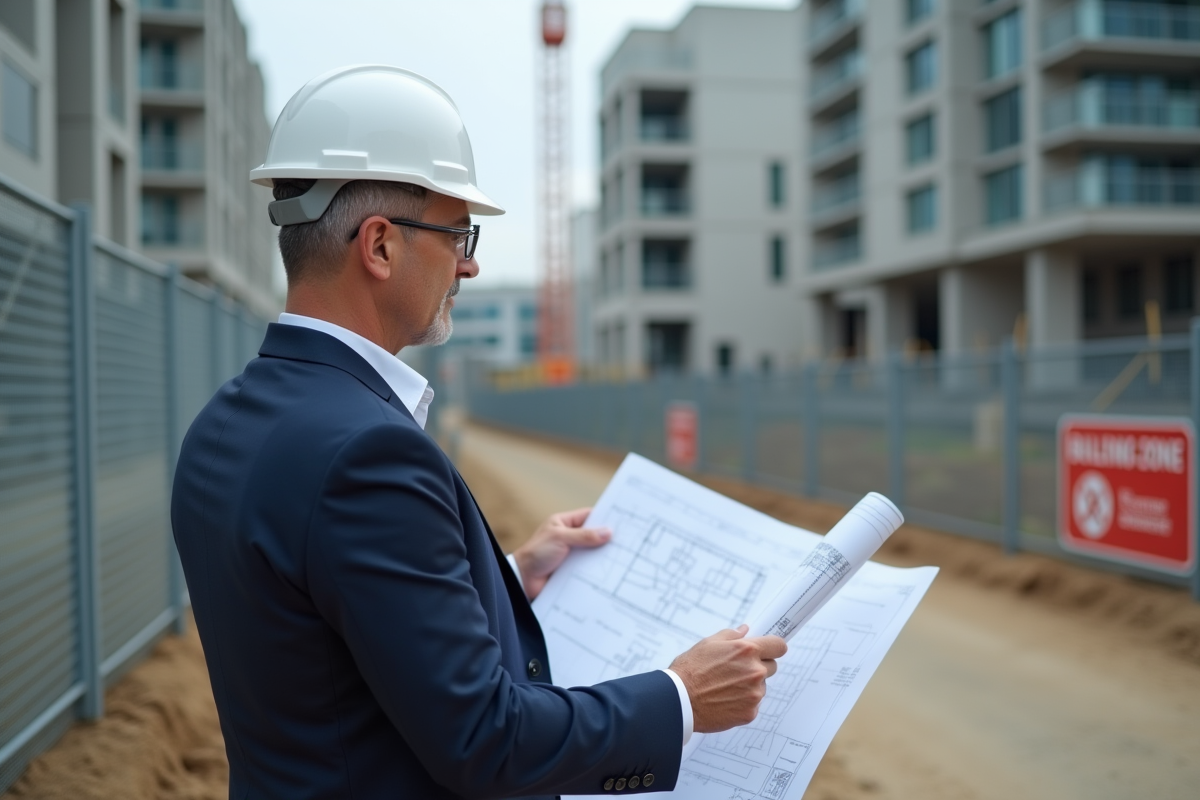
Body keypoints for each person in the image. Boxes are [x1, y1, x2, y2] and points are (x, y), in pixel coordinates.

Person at [171, 64, 786, 800]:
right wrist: (682, 696)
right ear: (380, 246)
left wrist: (504, 576)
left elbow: (327, 623)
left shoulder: (225, 423)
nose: (470, 262)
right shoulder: (367, 453)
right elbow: (489, 742)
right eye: (458, 232)